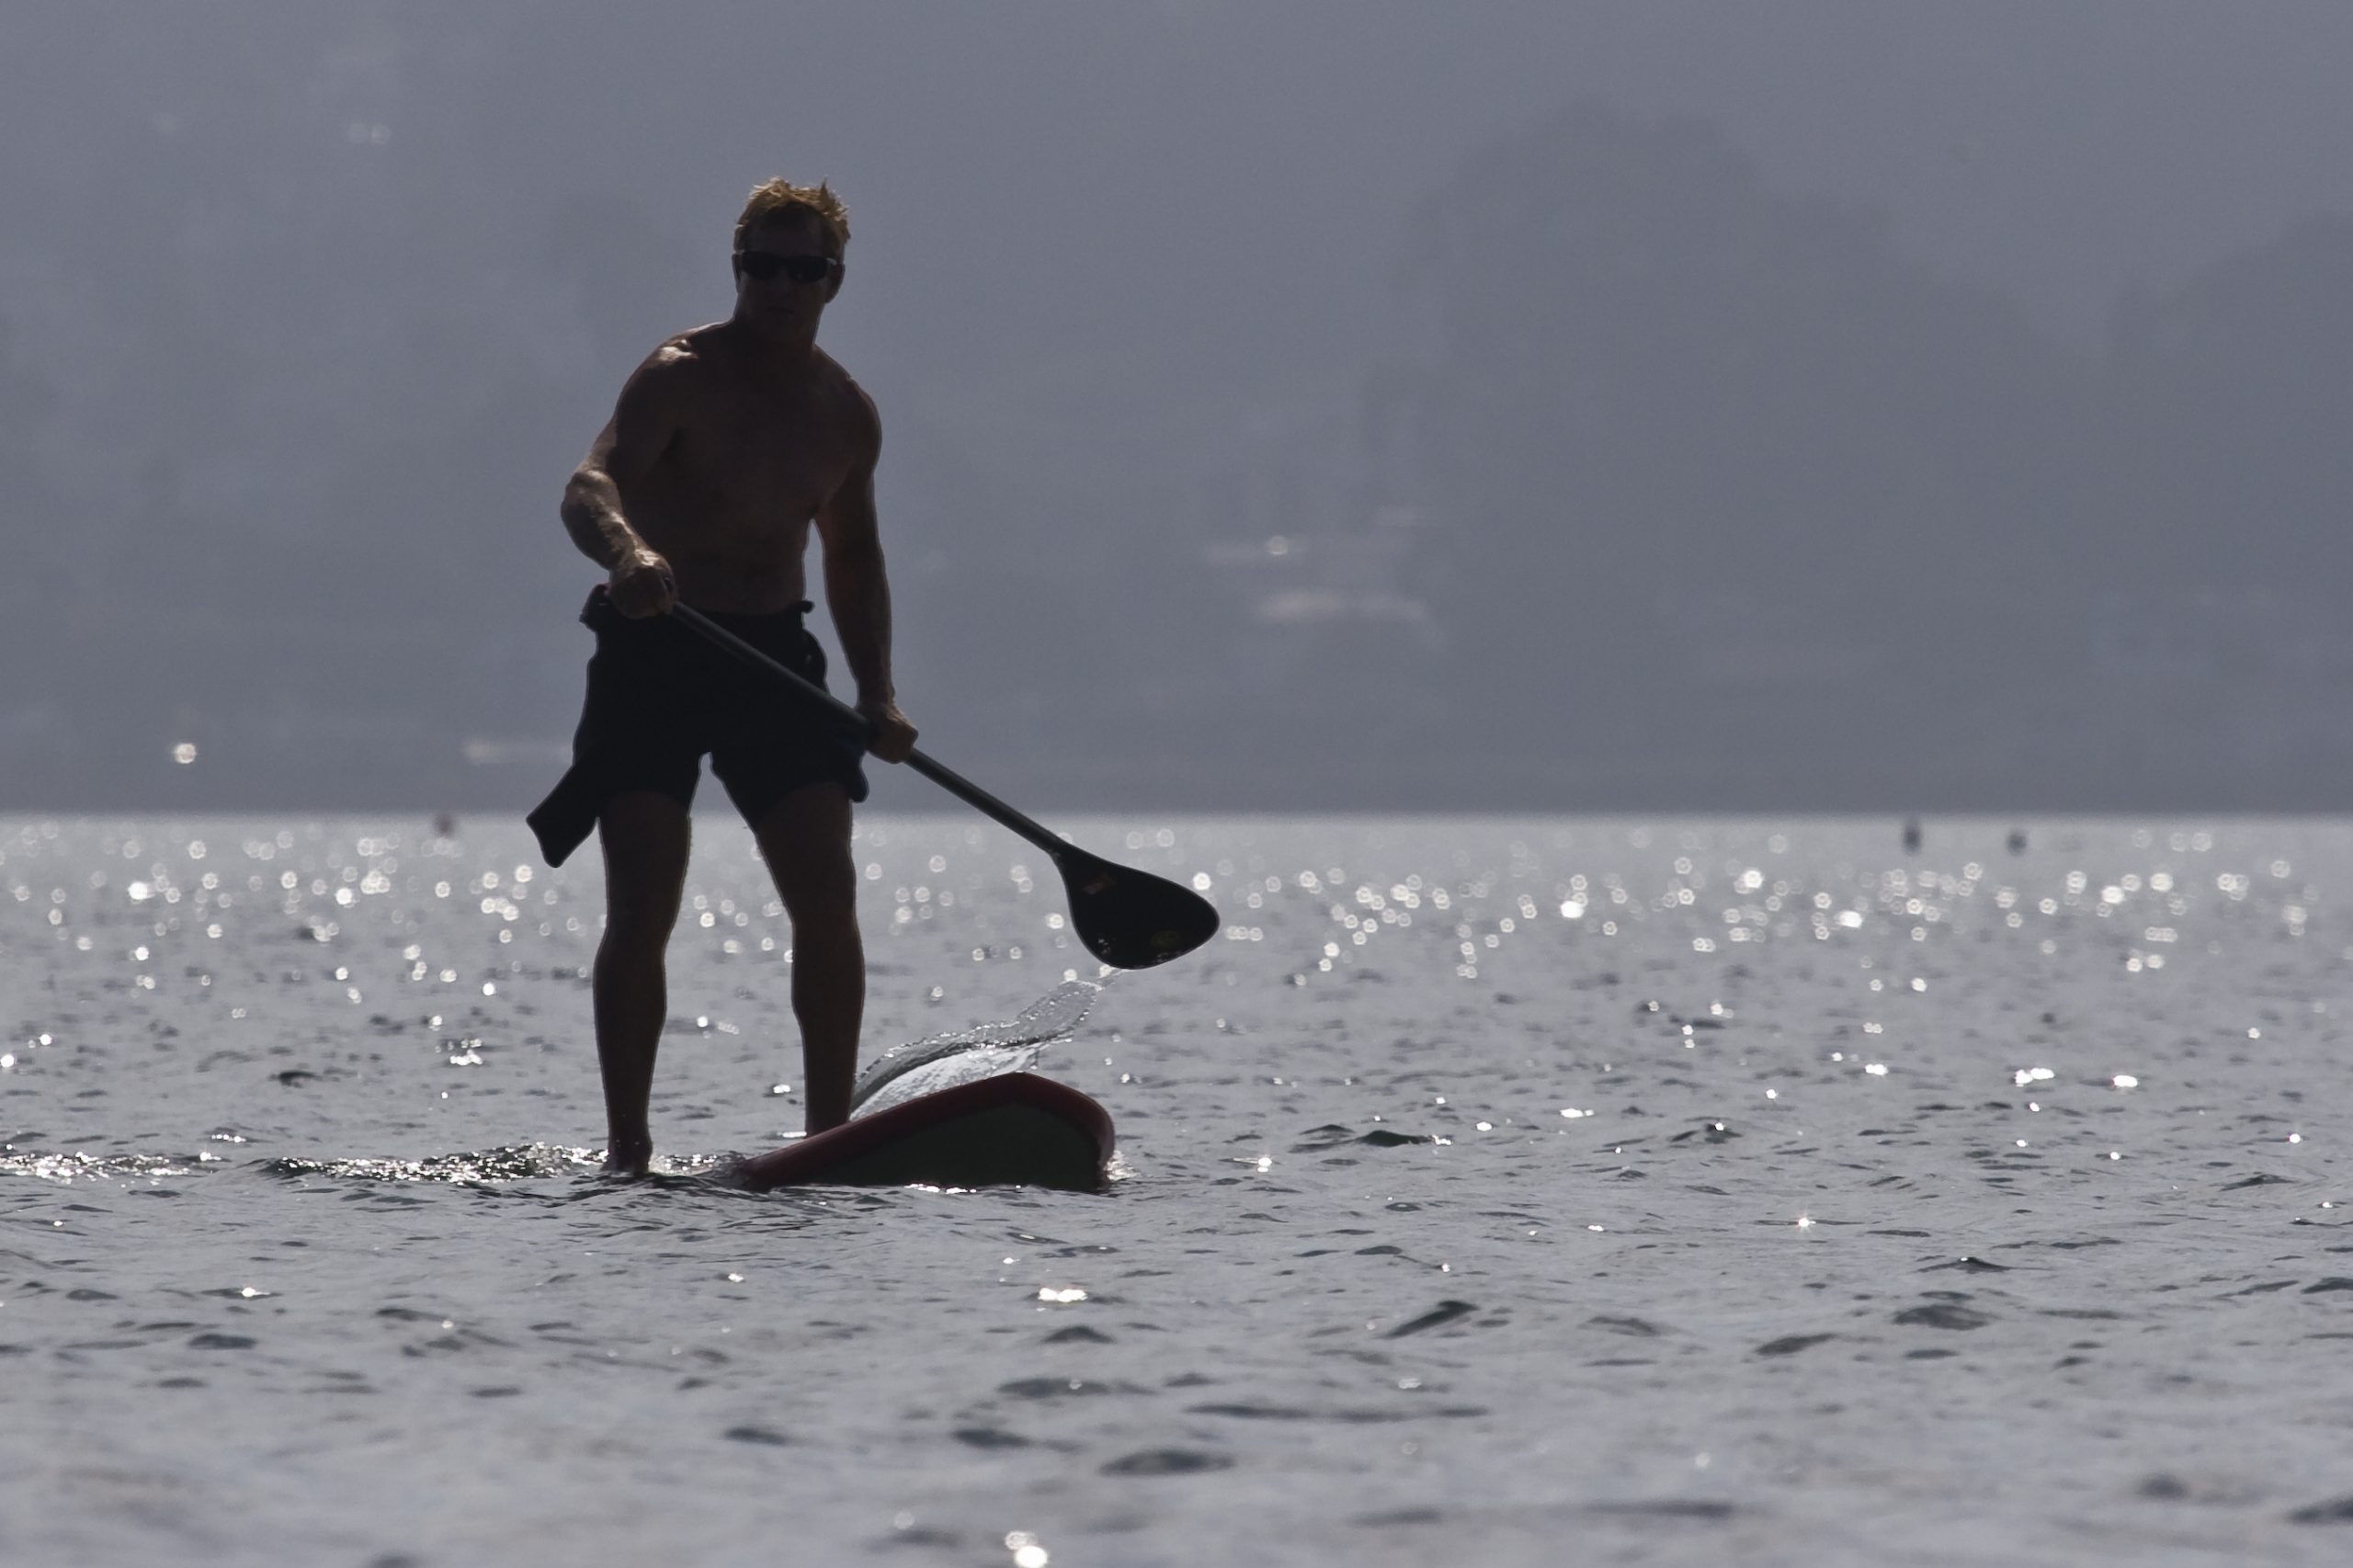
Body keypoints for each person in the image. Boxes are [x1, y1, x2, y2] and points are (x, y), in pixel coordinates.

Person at [527, 177, 918, 1176]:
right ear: (737, 268)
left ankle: (830, 1137)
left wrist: (876, 692)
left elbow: (853, 559)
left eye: (803, 271)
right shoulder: (678, 375)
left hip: (773, 658)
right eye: (761, 267)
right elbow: (589, 484)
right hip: (655, 647)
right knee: (644, 903)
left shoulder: (845, 413)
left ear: (834, 281)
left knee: (826, 890)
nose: (780, 287)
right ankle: (629, 1149)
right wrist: (627, 553)